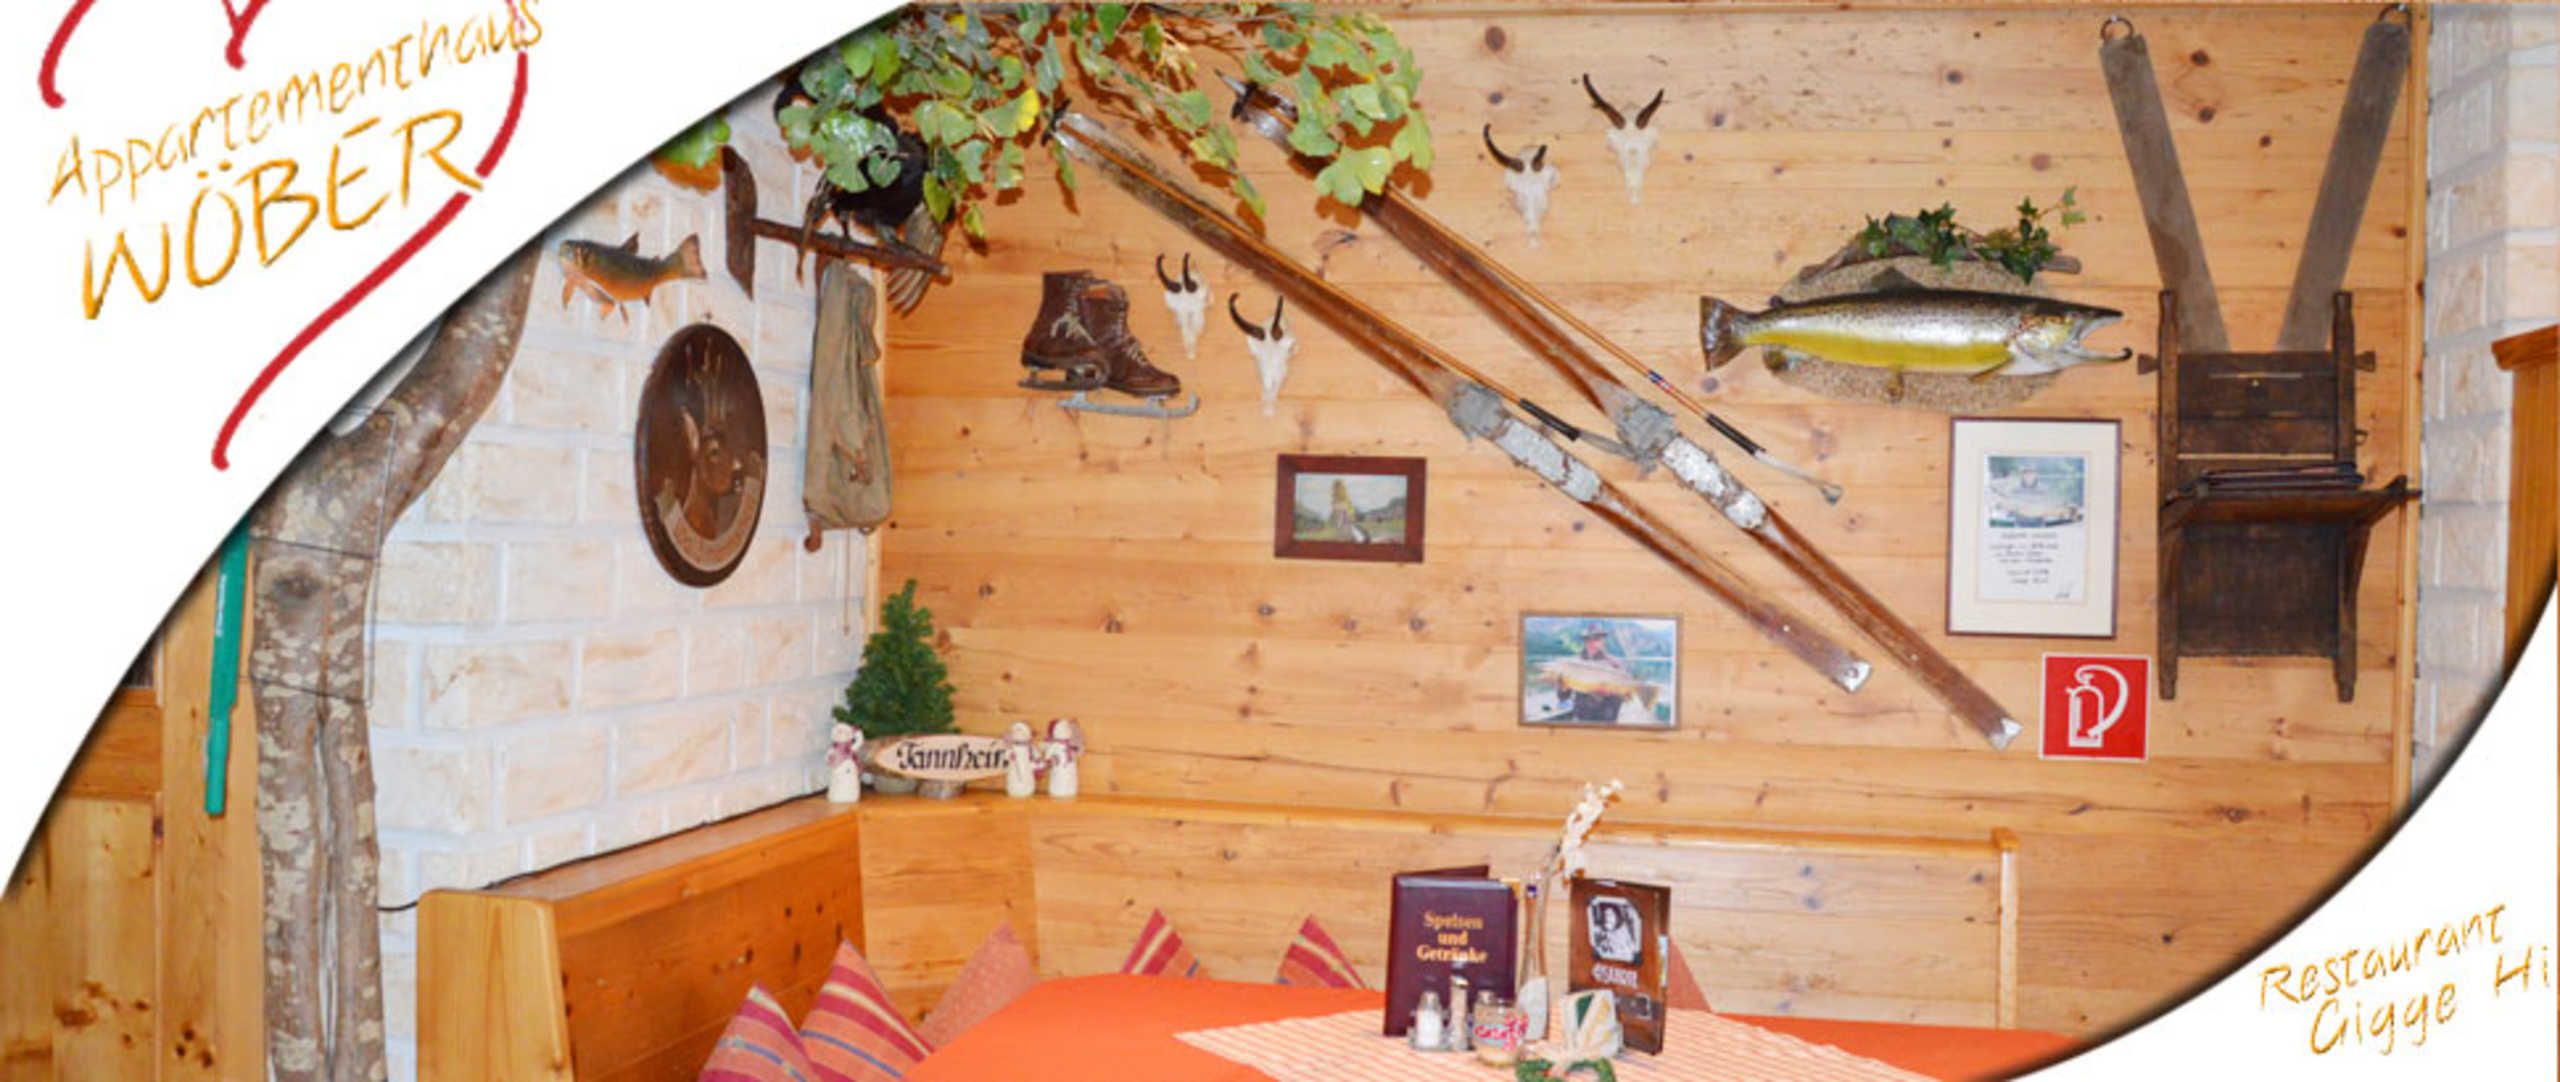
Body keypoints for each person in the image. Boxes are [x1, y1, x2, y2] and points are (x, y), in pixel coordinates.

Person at [1561, 624, 1633, 722]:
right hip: (1581, 718)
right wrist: (1561, 684)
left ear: (1603, 641)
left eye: (1596, 639)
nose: (1592, 642)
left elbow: (1624, 698)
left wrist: (1605, 695)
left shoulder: (1615, 664)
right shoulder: (1574, 664)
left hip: (1605, 720)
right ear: (1585, 642)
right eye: (1588, 639)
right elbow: (1563, 697)